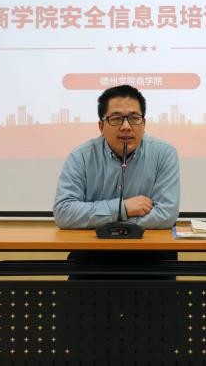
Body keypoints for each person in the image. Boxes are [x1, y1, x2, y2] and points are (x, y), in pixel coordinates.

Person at [53, 84, 180, 279]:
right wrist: (123, 208)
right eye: (116, 118)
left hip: (151, 252)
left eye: (134, 118)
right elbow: (64, 212)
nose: (126, 126)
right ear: (101, 126)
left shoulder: (164, 153)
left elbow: (166, 214)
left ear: (144, 124)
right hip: (93, 251)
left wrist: (104, 223)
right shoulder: (81, 156)